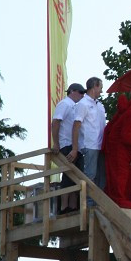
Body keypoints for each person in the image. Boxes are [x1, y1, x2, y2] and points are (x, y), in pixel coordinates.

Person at [51, 82, 86, 213]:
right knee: (68, 174)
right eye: (81, 92)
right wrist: (56, 143)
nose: (82, 95)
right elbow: (55, 122)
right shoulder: (64, 104)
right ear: (72, 91)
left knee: (75, 175)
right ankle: (64, 206)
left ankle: (72, 206)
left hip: (74, 145)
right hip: (66, 144)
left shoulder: (73, 106)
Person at [70, 77, 107, 200]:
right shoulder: (83, 104)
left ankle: (98, 204)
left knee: (101, 176)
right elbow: (76, 125)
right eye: (100, 87)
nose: (101, 91)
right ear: (94, 86)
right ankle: (88, 206)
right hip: (89, 145)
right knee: (90, 176)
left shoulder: (100, 106)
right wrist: (75, 148)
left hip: (101, 145)